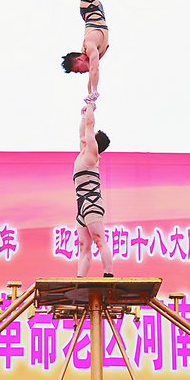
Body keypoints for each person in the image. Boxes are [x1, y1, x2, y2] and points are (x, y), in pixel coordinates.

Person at [73, 102, 113, 277]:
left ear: (94, 142)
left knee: (99, 239)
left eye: (91, 136)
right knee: (84, 245)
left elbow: (89, 126)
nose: (87, 137)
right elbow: (83, 131)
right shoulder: (83, 152)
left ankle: (108, 274)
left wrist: (91, 104)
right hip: (81, 204)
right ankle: (80, 278)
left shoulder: (91, 153)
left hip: (92, 202)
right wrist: (83, 115)